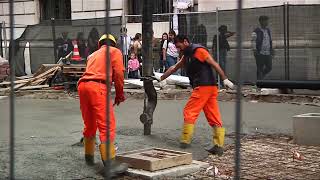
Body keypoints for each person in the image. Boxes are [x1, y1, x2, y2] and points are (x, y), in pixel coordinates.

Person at [160, 35, 234, 156]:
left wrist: (225, 79)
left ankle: (185, 141)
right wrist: (161, 78)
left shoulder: (198, 51)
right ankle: (219, 145)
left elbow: (214, 63)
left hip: (202, 87)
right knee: (213, 115)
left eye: (179, 47)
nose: (178, 50)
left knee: (189, 111)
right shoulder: (188, 54)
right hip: (210, 87)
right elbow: (174, 68)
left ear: (185, 42)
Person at [77, 34, 128, 176]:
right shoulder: (114, 51)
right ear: (114, 43)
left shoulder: (92, 55)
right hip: (98, 87)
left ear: (100, 44)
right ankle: (110, 165)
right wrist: (119, 94)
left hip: (83, 86)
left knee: (90, 123)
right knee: (107, 124)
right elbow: (118, 73)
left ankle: (89, 157)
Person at [252, 15, 274, 80]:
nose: (267, 22)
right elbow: (253, 41)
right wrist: (255, 50)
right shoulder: (256, 31)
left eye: (267, 21)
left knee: (269, 67)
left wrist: (272, 49)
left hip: (267, 53)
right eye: (265, 21)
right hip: (260, 53)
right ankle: (259, 82)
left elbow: (270, 40)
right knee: (259, 68)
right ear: (261, 21)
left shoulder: (268, 30)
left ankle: (261, 77)